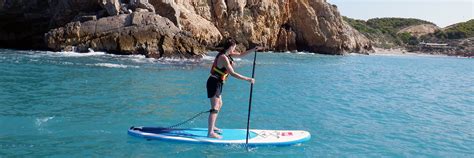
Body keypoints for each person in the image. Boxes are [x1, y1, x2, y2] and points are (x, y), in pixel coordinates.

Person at [206, 39, 262, 139]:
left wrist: (253, 50)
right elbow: (232, 73)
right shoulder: (223, 57)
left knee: (220, 104)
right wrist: (248, 79)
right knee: (215, 107)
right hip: (213, 83)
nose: (235, 49)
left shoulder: (228, 55)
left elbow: (241, 55)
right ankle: (210, 132)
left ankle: (213, 126)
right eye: (234, 47)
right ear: (231, 47)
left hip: (218, 83)